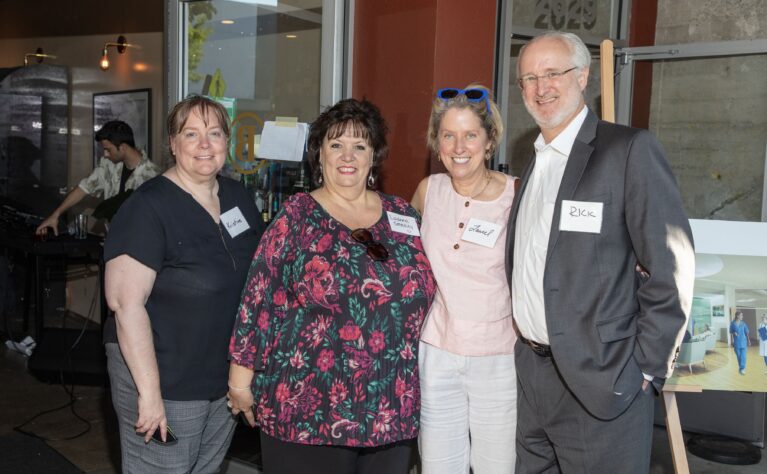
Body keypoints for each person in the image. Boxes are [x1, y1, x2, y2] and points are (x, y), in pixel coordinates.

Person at [506, 31, 695, 473]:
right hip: (534, 379)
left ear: (584, 75)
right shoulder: (535, 160)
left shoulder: (628, 150)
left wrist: (644, 371)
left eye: (553, 73)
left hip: (604, 384)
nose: (540, 87)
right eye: (528, 78)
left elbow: (673, 265)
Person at [227, 98, 436, 474]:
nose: (348, 155)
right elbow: (259, 298)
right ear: (318, 155)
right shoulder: (296, 217)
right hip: (309, 405)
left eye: (360, 146)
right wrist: (240, 383)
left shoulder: (403, 214)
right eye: (336, 145)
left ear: (374, 156)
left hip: (390, 406)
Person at [103, 95, 264, 473]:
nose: (205, 145)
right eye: (191, 134)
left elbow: (257, 281)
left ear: (227, 141)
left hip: (220, 378)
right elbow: (125, 305)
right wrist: (150, 395)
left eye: (214, 133)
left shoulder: (238, 198)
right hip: (164, 377)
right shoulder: (147, 207)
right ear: (172, 145)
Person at [411, 84, 517, 474]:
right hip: (437, 352)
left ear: (489, 141)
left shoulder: (516, 195)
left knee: (497, 467)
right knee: (438, 465)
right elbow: (403, 264)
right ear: (436, 143)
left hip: (498, 357)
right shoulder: (428, 191)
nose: (459, 146)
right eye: (448, 135)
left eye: (471, 135)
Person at [35, 120, 160, 235]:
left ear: (122, 148)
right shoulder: (108, 164)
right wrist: (55, 215)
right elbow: (84, 188)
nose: (105, 155)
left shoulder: (152, 176)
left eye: (108, 150)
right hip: (111, 243)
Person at [730, 311, 750, 375]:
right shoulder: (732, 323)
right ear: (737, 316)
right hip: (737, 343)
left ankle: (742, 368)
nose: (742, 317)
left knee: (743, 356)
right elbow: (730, 331)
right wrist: (733, 333)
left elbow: (746, 332)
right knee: (739, 356)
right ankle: (741, 368)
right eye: (741, 315)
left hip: (744, 341)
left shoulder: (743, 323)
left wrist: (749, 340)